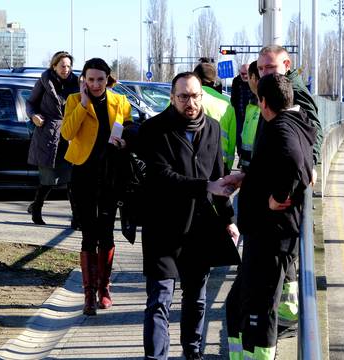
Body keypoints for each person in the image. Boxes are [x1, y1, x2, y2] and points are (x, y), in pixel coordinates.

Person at [137, 72, 240, 360]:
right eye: (183, 96)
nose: (190, 102)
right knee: (160, 300)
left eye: (195, 96)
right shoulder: (154, 130)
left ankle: (193, 353)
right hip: (163, 228)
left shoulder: (213, 128)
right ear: (172, 98)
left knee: (196, 299)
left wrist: (228, 220)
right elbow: (160, 177)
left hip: (200, 228)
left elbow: (219, 177)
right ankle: (156, 357)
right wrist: (205, 186)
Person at [225, 73, 315, 360]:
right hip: (266, 234)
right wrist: (248, 178)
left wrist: (278, 196)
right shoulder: (297, 123)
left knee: (259, 309)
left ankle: (258, 356)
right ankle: (240, 355)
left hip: (270, 235)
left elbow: (292, 160)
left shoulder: (280, 128)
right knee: (236, 303)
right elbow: (293, 164)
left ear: (263, 102)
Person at [257, 44, 323, 335]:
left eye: (270, 68)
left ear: (287, 64)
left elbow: (312, 131)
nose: (264, 73)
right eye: (261, 69)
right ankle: (287, 311)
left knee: (285, 259)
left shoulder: (292, 90)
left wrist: (313, 163)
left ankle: (285, 317)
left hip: (284, 199)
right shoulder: (274, 89)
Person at [61, 58, 133, 316]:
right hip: (83, 175)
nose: (95, 84)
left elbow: (129, 129)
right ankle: (88, 295)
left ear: (107, 79)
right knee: (88, 234)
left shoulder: (120, 102)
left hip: (111, 176)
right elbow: (67, 134)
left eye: (100, 79)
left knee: (107, 233)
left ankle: (104, 289)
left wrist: (125, 143)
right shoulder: (74, 100)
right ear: (84, 80)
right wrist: (82, 104)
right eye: (90, 79)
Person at [26, 51, 79, 227]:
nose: (66, 69)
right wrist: (34, 116)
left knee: (72, 179)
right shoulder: (44, 81)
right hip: (48, 135)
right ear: (54, 66)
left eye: (69, 66)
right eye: (63, 66)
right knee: (48, 179)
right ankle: (37, 208)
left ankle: (76, 217)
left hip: (69, 135)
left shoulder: (77, 83)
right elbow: (30, 103)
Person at [193, 62, 237, 173]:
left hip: (190, 161)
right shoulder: (226, 103)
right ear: (213, 81)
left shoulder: (182, 99)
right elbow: (232, 139)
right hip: (219, 163)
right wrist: (228, 167)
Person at [238, 61, 260, 171]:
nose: (244, 77)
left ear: (253, 78)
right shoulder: (251, 106)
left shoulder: (263, 106)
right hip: (247, 166)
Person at [231, 63, 253, 159]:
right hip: (239, 114)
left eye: (246, 74)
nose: (244, 76)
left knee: (250, 136)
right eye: (242, 73)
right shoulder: (236, 81)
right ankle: (240, 155)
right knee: (239, 137)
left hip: (251, 115)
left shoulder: (254, 80)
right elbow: (234, 97)